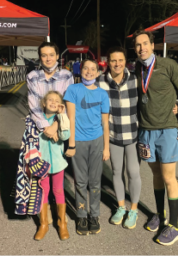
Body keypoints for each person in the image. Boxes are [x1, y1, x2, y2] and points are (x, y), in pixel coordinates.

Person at [132, 30, 178, 246]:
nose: (142, 48)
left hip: (167, 129)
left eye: (145, 44)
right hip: (145, 131)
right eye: (138, 45)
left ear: (153, 45)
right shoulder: (137, 68)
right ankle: (160, 215)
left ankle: (175, 226)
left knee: (169, 177)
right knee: (156, 175)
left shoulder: (168, 65)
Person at [25, 41, 74, 227]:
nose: (48, 58)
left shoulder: (67, 75)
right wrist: (46, 127)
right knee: (41, 184)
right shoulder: (32, 77)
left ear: (57, 56)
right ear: (40, 57)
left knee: (58, 184)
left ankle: (62, 222)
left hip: (60, 126)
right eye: (44, 55)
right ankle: (44, 222)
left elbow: (68, 102)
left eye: (51, 55)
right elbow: (34, 105)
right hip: (39, 130)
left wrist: (55, 126)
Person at [96, 46, 142, 229]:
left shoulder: (135, 80)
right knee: (116, 172)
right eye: (113, 60)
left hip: (133, 135)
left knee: (133, 173)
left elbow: (150, 100)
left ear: (125, 61)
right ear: (108, 62)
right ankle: (121, 207)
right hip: (113, 135)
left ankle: (134, 210)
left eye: (120, 60)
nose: (117, 64)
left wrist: (173, 108)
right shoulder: (100, 81)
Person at [64, 59, 110, 235]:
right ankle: (82, 215)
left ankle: (94, 215)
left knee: (95, 181)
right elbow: (71, 119)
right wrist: (72, 144)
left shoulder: (102, 94)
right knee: (81, 181)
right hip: (79, 142)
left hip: (97, 141)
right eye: (86, 68)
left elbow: (105, 123)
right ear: (80, 70)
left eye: (93, 69)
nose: (89, 72)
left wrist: (106, 148)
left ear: (98, 73)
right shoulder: (72, 90)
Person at [34, 91, 71, 241]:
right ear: (44, 103)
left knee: (58, 190)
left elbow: (65, 136)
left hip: (57, 162)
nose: (53, 102)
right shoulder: (37, 119)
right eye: (50, 100)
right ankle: (44, 224)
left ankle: (62, 224)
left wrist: (62, 116)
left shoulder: (60, 118)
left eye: (57, 100)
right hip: (41, 163)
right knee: (43, 191)